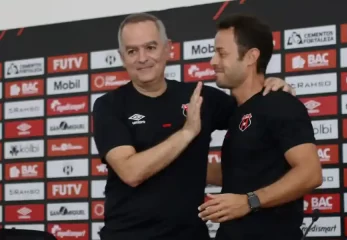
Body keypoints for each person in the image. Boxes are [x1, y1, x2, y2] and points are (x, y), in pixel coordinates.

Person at [92, 13, 295, 240]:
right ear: (122, 57)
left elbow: (254, 115)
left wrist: (271, 86)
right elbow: (131, 172)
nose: (142, 58)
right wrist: (187, 132)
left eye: (150, 47)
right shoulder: (109, 106)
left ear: (168, 48)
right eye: (132, 51)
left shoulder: (198, 97)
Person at [198, 14, 323, 240]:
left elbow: (311, 173)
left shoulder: (279, 103)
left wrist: (250, 201)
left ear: (251, 57)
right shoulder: (237, 111)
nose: (213, 61)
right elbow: (243, 171)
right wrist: (181, 166)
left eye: (222, 53)